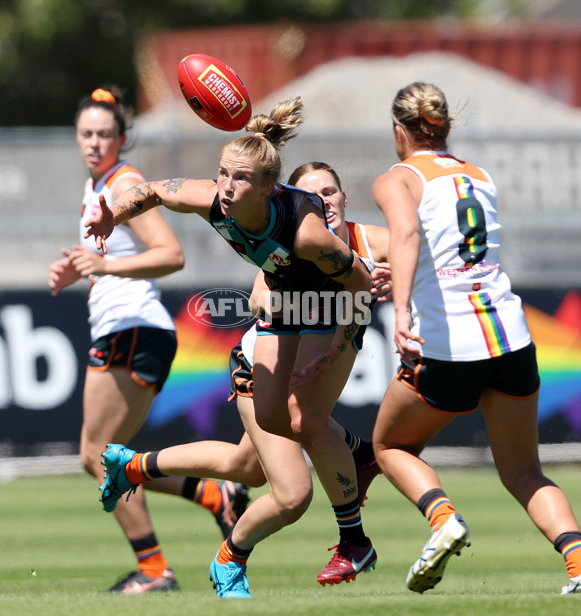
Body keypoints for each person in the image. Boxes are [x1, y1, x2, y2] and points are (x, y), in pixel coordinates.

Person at [84, 99, 381, 598]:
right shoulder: (213, 200)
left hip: (336, 311)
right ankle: (357, 452)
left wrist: (339, 346)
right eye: (221, 173)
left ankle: (351, 538)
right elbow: (155, 190)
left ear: (268, 188)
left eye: (239, 179)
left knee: (301, 437)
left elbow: (359, 285)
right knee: (271, 424)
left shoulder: (306, 233)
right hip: (288, 310)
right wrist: (113, 212)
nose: (225, 186)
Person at [369, 81, 581, 595]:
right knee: (524, 471)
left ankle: (442, 519)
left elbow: (405, 235)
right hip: (510, 335)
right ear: (443, 127)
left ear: (399, 131)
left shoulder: (396, 178)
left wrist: (399, 311)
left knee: (389, 444)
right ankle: (578, 561)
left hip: (450, 341)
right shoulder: (477, 175)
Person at [48, 87, 249, 594]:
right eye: (86, 134)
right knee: (108, 454)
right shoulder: (98, 184)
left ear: (121, 137)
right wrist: (83, 268)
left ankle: (155, 571)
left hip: (133, 328)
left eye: (105, 134)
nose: (94, 142)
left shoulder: (125, 183)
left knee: (98, 456)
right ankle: (213, 495)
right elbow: (111, 256)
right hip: (131, 329)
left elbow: (170, 253)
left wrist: (106, 265)